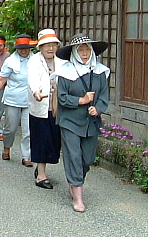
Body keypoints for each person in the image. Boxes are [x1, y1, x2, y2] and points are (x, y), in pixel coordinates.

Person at [55, 33, 109, 212]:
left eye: (88, 49)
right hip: (69, 121)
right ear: (74, 52)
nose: (85, 53)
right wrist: (82, 101)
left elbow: (104, 97)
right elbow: (62, 98)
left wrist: (98, 108)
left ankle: (75, 180)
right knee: (74, 156)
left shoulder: (100, 72)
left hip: (90, 122)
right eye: (81, 50)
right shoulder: (65, 72)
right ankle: (78, 196)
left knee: (87, 158)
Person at [0, 34, 35, 166]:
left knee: (28, 129)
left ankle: (26, 156)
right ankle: (7, 147)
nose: (23, 50)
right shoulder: (10, 61)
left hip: (30, 100)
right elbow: (1, 79)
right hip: (13, 99)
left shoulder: (36, 60)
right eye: (21, 48)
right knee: (10, 129)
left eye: (26, 48)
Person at [27, 29, 66, 189]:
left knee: (54, 140)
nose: (50, 49)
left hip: (57, 107)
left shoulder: (62, 60)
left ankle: (42, 167)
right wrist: (36, 91)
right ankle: (41, 174)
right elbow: (32, 79)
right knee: (41, 140)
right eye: (46, 45)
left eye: (53, 45)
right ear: (40, 47)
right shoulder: (34, 61)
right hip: (40, 106)